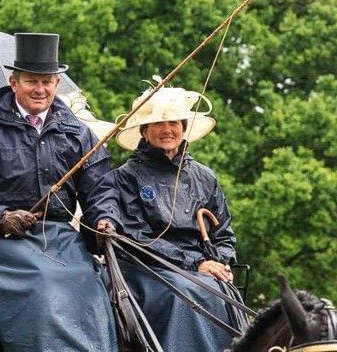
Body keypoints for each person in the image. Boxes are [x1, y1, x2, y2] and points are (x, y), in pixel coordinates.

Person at [0, 33, 119, 351]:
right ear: (14, 82)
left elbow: (100, 189)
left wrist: (104, 219)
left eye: (47, 82)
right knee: (46, 288)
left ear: (56, 84)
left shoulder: (77, 133)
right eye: (32, 82)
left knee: (93, 287)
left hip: (62, 241)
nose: (40, 90)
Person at [88, 86, 237, 352]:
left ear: (183, 127)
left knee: (225, 293)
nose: (167, 129)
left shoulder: (205, 177)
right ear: (144, 131)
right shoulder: (125, 177)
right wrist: (196, 264)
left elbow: (224, 232)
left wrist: (221, 262)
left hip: (203, 268)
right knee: (182, 291)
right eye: (157, 123)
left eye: (173, 122)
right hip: (148, 266)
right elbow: (136, 237)